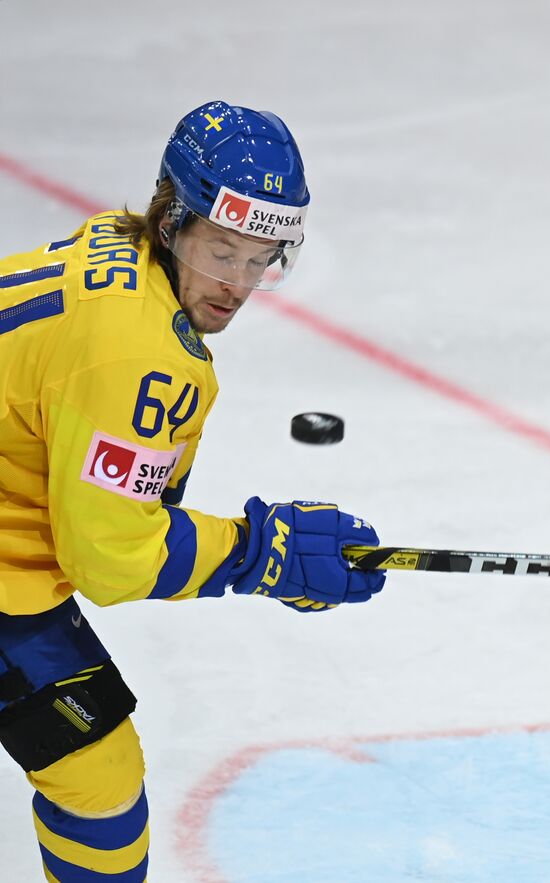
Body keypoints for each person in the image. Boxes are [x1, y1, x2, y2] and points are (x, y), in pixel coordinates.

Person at [0, 101, 385, 881]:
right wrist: (261, 551)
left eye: (262, 258)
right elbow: (111, 556)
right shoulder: (137, 355)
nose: (238, 283)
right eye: (222, 251)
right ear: (172, 218)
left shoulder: (123, 245)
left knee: (98, 778)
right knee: (98, 781)